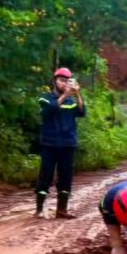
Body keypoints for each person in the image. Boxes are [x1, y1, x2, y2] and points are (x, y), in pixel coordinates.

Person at [35, 67, 85, 219]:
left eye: (67, 81)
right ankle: (39, 209)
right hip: (49, 144)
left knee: (66, 177)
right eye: (61, 80)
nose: (64, 84)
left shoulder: (71, 100)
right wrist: (65, 95)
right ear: (54, 81)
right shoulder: (45, 98)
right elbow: (48, 112)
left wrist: (77, 94)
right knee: (45, 176)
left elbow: (81, 112)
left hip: (68, 143)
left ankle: (61, 210)